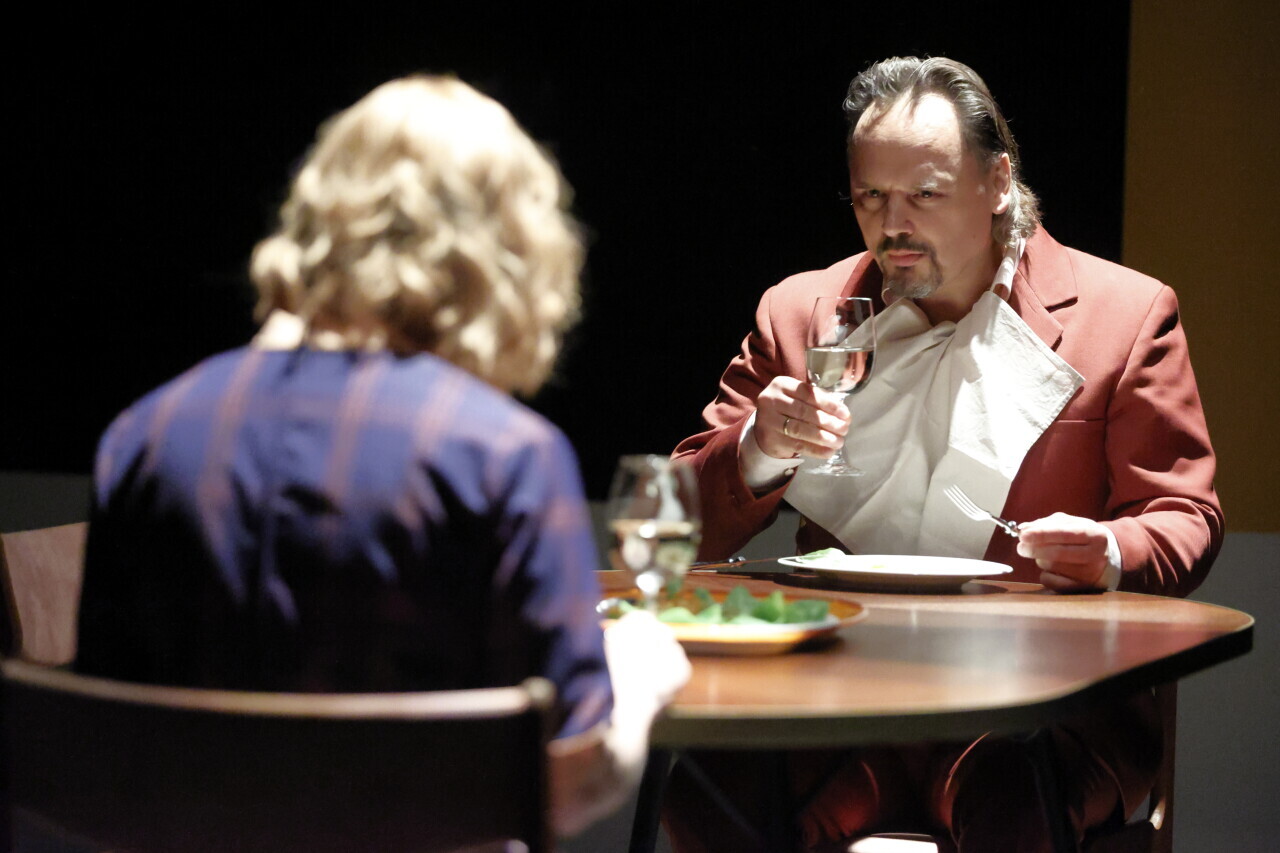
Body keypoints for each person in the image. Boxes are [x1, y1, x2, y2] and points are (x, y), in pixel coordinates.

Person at [74, 75, 689, 837]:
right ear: (510, 255)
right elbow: (568, 786)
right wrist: (639, 672)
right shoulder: (504, 456)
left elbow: (95, 752)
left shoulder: (145, 434)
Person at [665, 57, 1222, 851]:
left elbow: (1185, 514)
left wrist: (1107, 549)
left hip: (1039, 705)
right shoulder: (801, 314)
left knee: (1016, 803)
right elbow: (677, 521)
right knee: (705, 790)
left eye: (924, 195)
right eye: (870, 197)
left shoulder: (1125, 314)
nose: (893, 224)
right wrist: (758, 446)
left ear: (998, 182)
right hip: (847, 700)